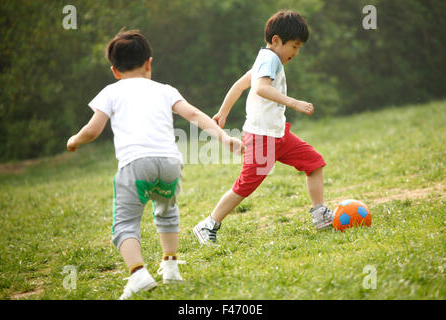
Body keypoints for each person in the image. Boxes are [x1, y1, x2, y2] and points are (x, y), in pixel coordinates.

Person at [66, 29, 244, 299]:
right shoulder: (164, 90)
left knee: (125, 223)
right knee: (166, 211)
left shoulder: (110, 92)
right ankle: (170, 266)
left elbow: (92, 130)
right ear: (149, 63)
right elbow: (194, 114)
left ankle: (137, 273)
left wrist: (74, 140)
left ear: (114, 70)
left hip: (135, 165)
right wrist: (224, 137)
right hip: (170, 163)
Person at [193, 10, 333, 245]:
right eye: (295, 46)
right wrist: (294, 103)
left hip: (279, 135)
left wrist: (223, 112)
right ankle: (208, 224)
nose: (296, 53)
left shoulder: (266, 59)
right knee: (245, 186)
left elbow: (239, 86)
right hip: (262, 137)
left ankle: (319, 213)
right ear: (277, 40)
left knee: (314, 163)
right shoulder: (269, 59)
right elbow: (260, 88)